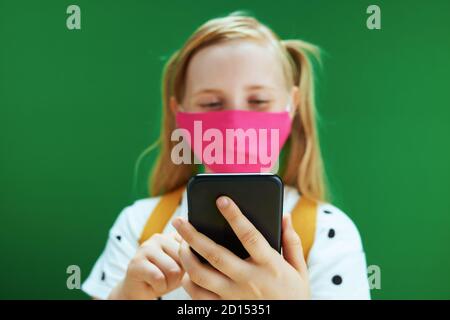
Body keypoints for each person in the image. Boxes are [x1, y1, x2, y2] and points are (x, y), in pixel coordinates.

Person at [82, 13, 370, 300]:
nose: (234, 123)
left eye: (258, 101)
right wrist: (125, 295)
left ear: (291, 106)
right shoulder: (137, 225)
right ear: (179, 113)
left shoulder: (328, 232)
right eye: (211, 103)